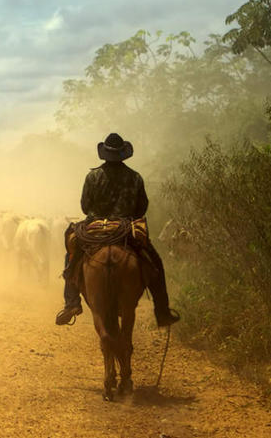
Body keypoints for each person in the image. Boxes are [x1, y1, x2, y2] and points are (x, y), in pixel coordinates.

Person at [55, 133, 181, 327]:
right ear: (123, 154)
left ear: (104, 154)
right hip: (125, 229)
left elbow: (85, 206)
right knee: (155, 262)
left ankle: (72, 303)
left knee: (72, 256)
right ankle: (162, 311)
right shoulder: (135, 177)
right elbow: (142, 207)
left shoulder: (92, 176)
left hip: (95, 229)